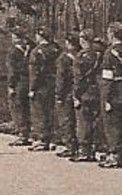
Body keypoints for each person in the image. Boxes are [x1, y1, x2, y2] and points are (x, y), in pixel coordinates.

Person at [98, 23, 122, 168]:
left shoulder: (109, 53)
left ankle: (115, 153)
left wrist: (106, 98)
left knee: (112, 123)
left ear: (112, 34)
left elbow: (107, 78)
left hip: (114, 89)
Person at [27, 28, 62, 151]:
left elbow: (35, 72)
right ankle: (53, 138)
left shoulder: (37, 52)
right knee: (51, 112)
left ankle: (42, 139)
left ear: (39, 37)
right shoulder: (56, 49)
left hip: (41, 85)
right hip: (54, 83)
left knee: (39, 112)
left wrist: (32, 88)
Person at [72, 32, 102, 162]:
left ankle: (85, 150)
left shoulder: (81, 56)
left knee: (83, 122)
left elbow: (79, 78)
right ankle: (96, 147)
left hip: (84, 92)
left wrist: (76, 94)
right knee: (95, 122)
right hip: (98, 91)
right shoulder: (99, 55)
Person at [54, 30, 80, 159]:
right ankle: (80, 146)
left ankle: (70, 146)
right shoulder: (81, 55)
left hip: (67, 92)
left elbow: (61, 77)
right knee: (79, 120)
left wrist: (59, 94)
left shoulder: (64, 58)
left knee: (66, 119)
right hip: (79, 90)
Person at [5, 25, 32, 146]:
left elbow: (12, 71)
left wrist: (11, 85)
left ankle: (23, 133)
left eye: (14, 37)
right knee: (28, 108)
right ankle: (29, 131)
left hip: (19, 82)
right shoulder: (31, 49)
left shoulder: (13, 52)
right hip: (30, 82)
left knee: (18, 107)